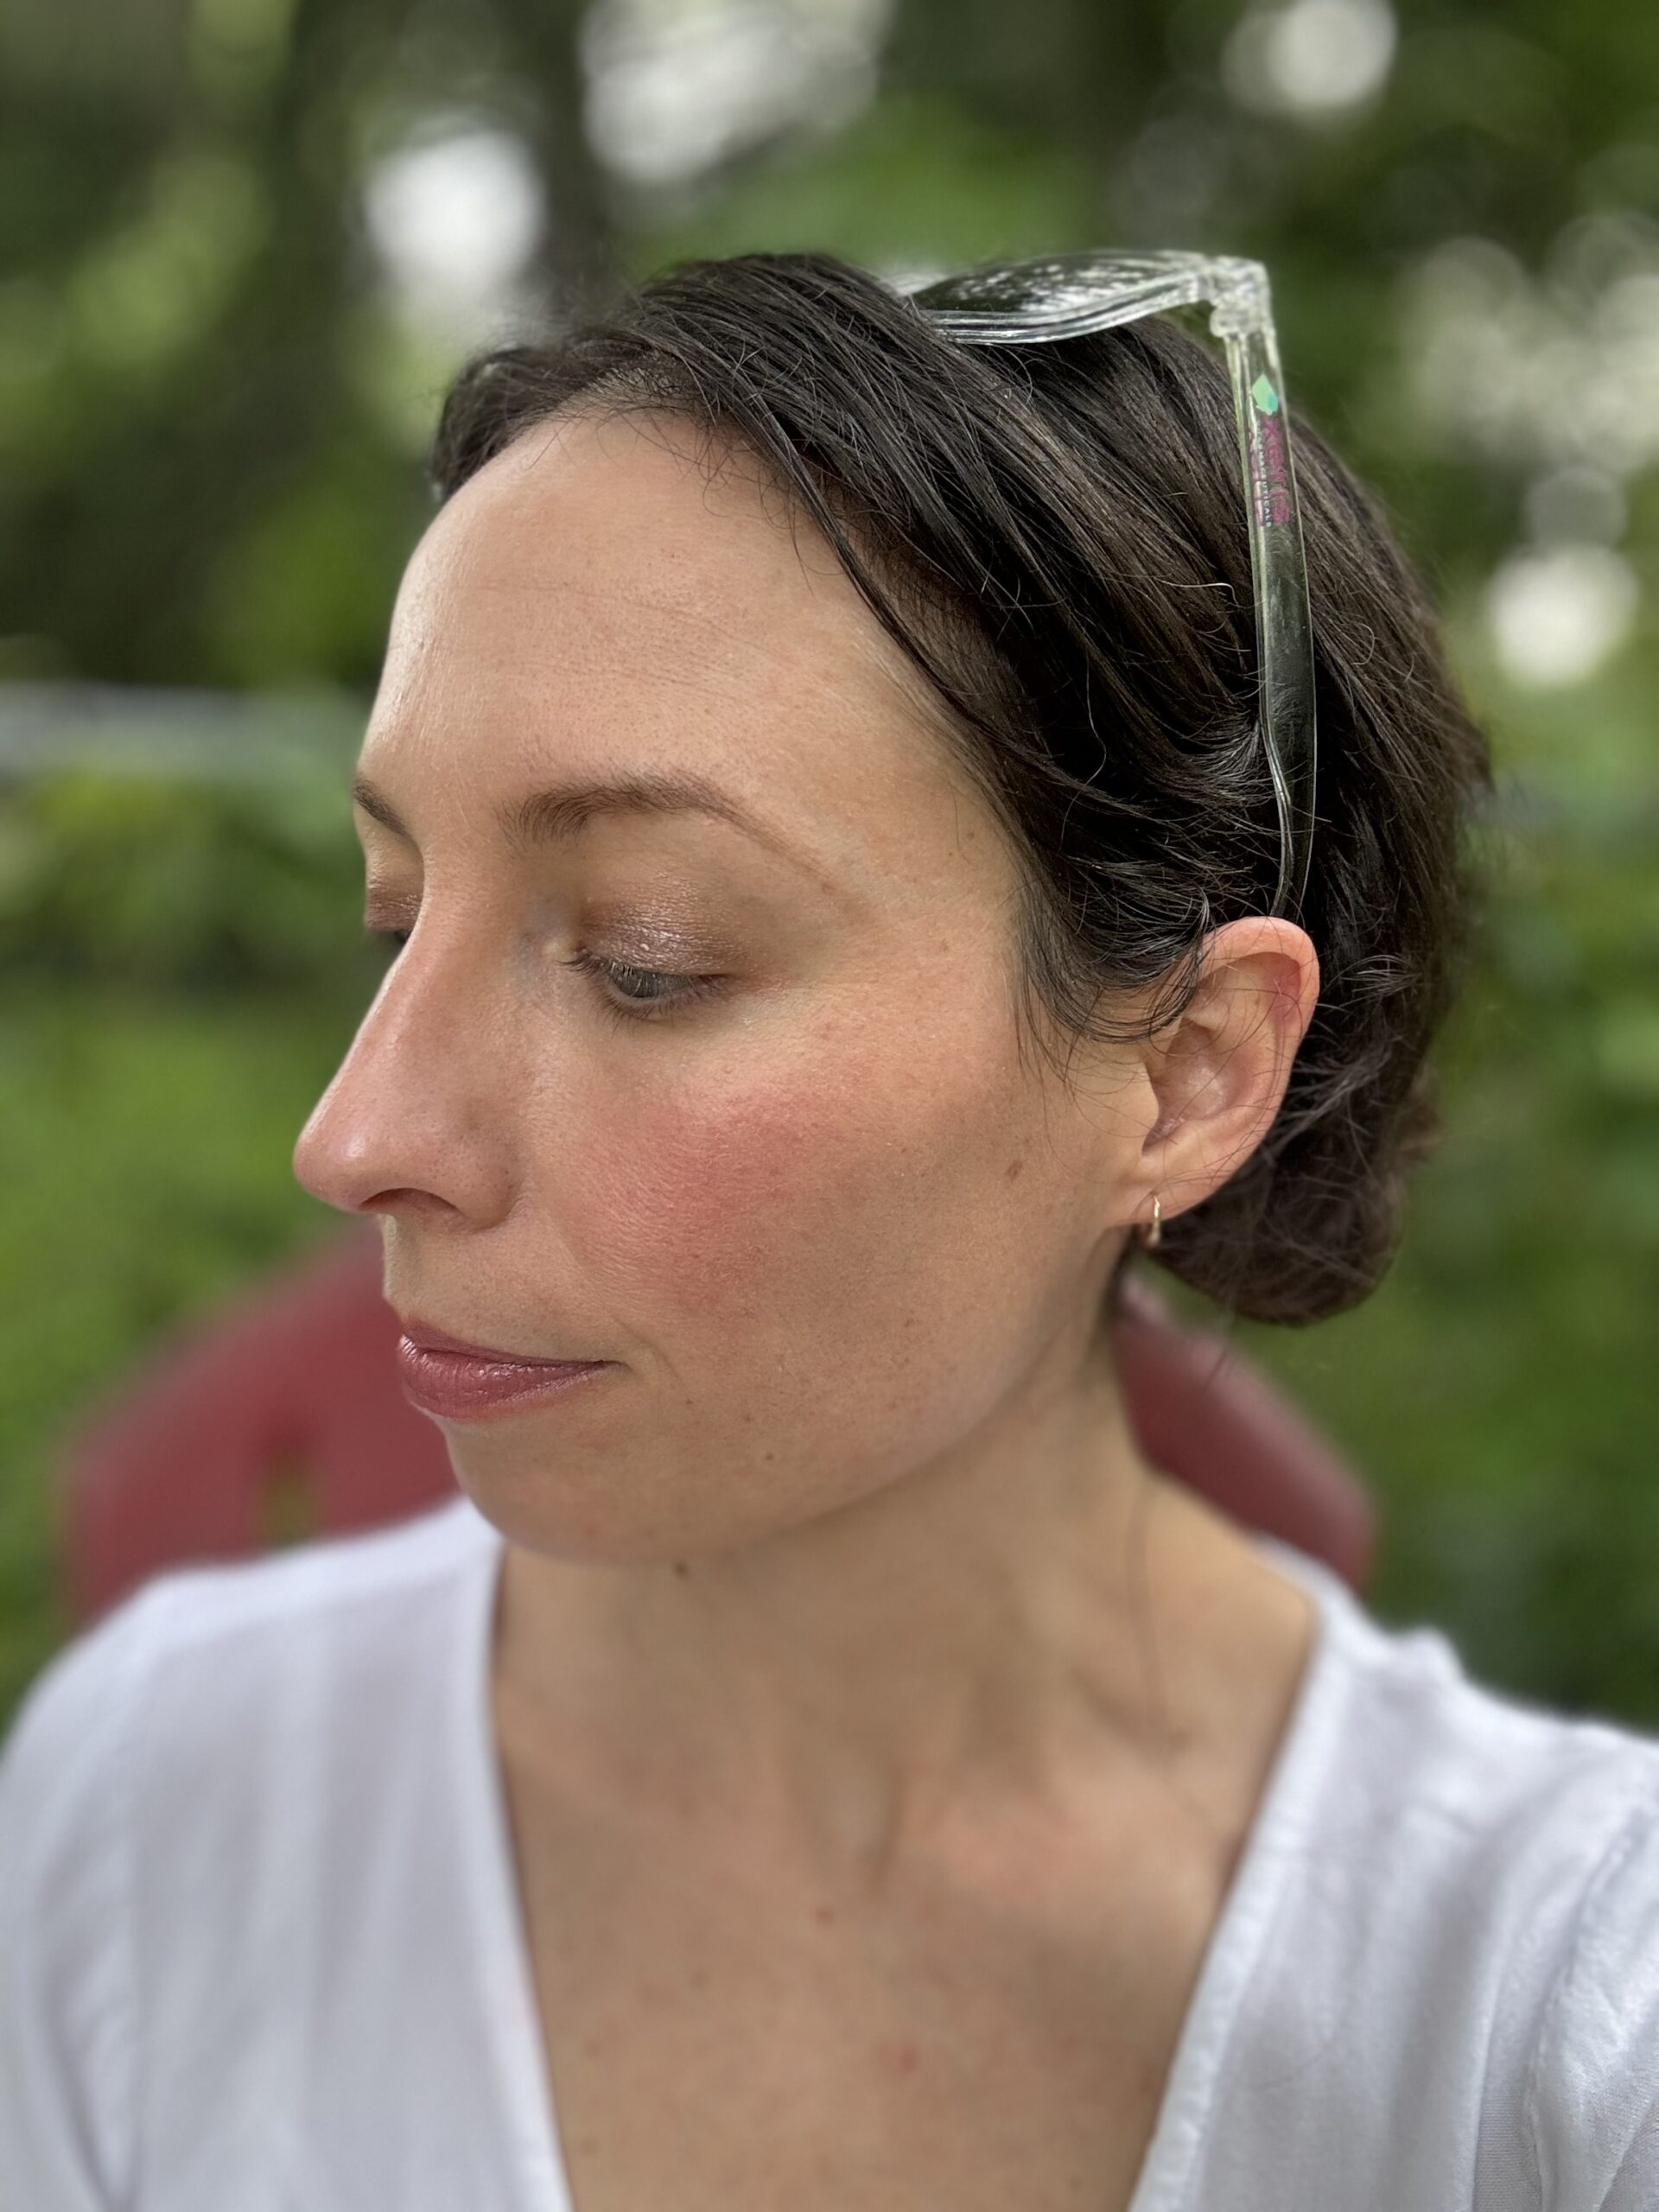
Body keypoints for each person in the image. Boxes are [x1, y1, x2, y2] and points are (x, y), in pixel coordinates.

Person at [2, 249, 1655, 2211]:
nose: (358, 1133)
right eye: (394, 906)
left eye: (645, 958)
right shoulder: (156, 1809)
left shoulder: (1554, 2026)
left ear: (1190, 1069)